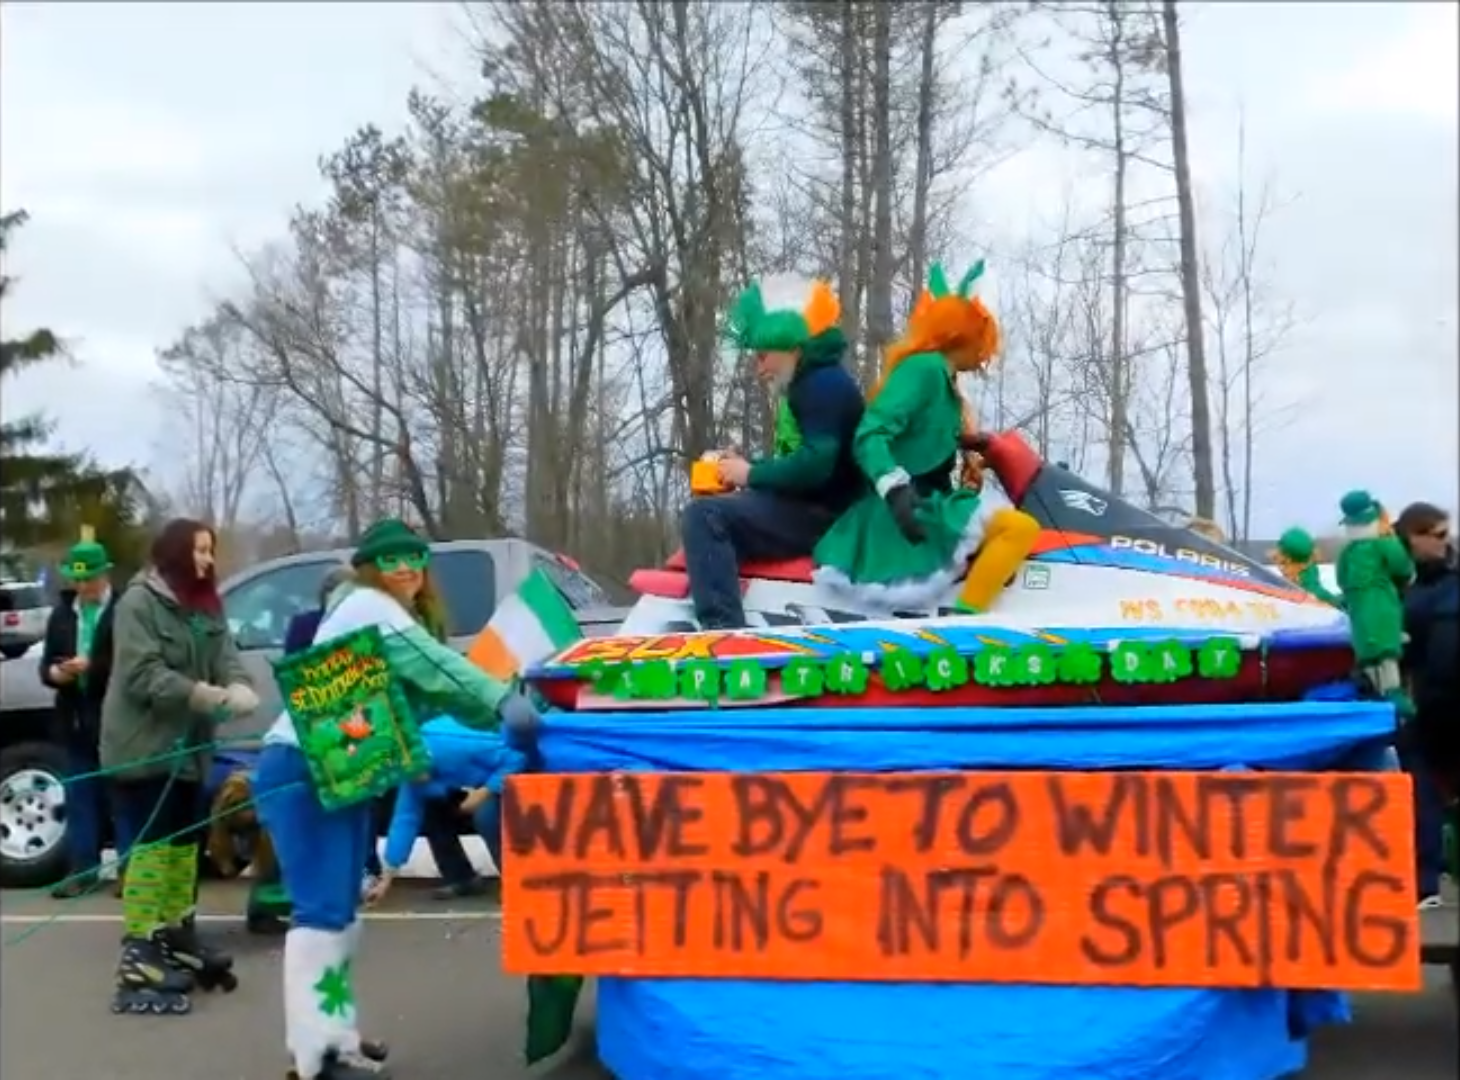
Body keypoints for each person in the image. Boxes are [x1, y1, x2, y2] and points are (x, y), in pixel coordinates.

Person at [253, 518, 526, 1080]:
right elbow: (440, 669)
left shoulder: (383, 614)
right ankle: (313, 1058)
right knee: (320, 913)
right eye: (393, 559)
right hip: (303, 766)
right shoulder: (368, 607)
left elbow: (430, 697)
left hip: (338, 765)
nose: (406, 568)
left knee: (339, 911)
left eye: (415, 558)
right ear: (369, 568)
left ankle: (337, 1035)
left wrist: (498, 711)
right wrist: (501, 702)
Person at [812, 262, 1040, 613]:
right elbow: (871, 433)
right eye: (983, 337)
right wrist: (895, 489)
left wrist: (969, 443)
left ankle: (962, 617)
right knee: (1019, 528)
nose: (986, 352)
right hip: (904, 510)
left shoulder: (943, 380)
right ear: (962, 333)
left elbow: (923, 434)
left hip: (927, 500)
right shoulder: (924, 369)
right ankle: (963, 622)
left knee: (1016, 527)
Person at [100, 518, 260, 1014]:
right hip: (143, 750)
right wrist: (202, 694)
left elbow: (225, 656)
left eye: (211, 551)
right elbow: (142, 673)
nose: (208, 560)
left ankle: (176, 932)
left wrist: (237, 686)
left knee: (183, 849)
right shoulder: (138, 604)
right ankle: (140, 950)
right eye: (200, 551)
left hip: (190, 754)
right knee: (151, 851)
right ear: (174, 554)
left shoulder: (205, 608)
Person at [681, 275, 865, 629]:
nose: (759, 367)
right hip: (820, 508)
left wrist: (751, 474)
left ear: (791, 346)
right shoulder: (820, 381)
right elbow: (809, 464)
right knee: (723, 512)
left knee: (703, 517)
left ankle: (724, 635)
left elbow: (817, 465)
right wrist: (748, 470)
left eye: (763, 355)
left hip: (825, 517)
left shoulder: (818, 385)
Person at [366, 713, 535, 907]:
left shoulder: (455, 746)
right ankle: (461, 878)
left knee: (485, 816)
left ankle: (515, 881)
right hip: (461, 787)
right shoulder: (410, 771)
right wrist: (386, 880)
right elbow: (405, 819)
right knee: (430, 810)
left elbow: (517, 757)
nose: (412, 781)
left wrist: (484, 792)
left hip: (502, 778)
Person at [39, 540, 122, 899]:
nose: (83, 586)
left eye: (89, 578)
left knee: (122, 796)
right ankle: (83, 869)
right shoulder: (62, 614)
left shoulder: (122, 611)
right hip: (75, 717)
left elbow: (131, 661)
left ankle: (131, 868)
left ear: (104, 574)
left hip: (115, 717)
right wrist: (57, 673)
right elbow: (47, 663)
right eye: (78, 579)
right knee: (80, 795)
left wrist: (94, 666)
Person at [1395, 501, 1458, 909]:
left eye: (1446, 533)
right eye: (1435, 535)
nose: (1445, 541)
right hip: (1425, 708)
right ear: (1411, 538)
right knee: (1421, 797)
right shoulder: (1400, 588)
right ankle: (1427, 883)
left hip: (1453, 702)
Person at [1334, 489, 1415, 716]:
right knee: (1377, 648)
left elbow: (1342, 579)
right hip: (1372, 607)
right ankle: (1388, 693)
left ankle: (1388, 692)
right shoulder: (1377, 546)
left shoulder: (1356, 551)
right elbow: (1403, 568)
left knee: (1377, 648)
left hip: (1369, 608)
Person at [1271, 527, 1344, 607]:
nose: (1281, 568)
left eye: (1284, 564)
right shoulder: (1307, 567)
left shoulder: (1312, 595)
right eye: (1278, 561)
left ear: (1303, 565)